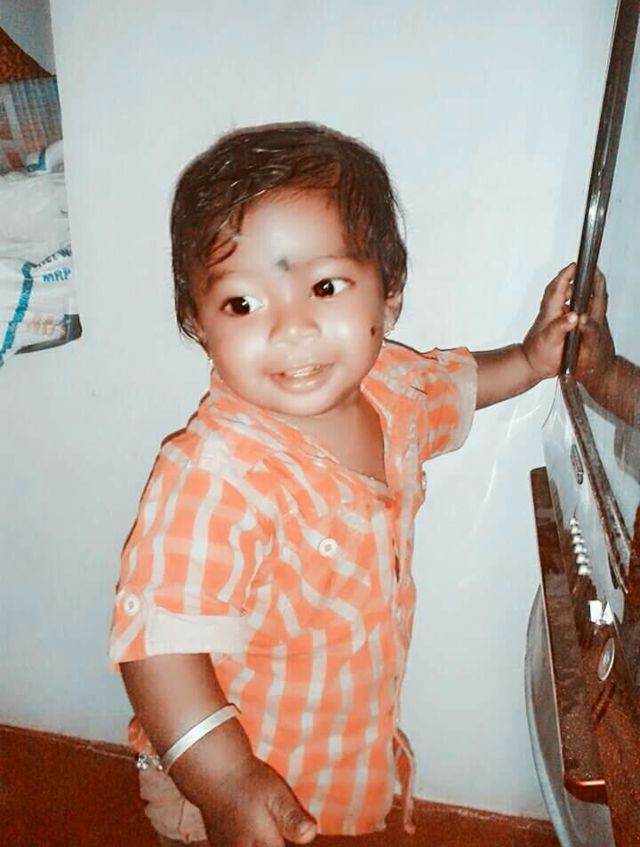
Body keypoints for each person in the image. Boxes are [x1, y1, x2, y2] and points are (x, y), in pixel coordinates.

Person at [109, 122, 582, 847]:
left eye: (324, 287)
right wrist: (226, 780)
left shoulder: (394, 389)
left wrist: (529, 358)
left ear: (388, 297)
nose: (291, 329)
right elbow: (159, 649)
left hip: (335, 760)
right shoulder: (213, 474)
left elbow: (458, 386)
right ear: (197, 323)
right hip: (228, 787)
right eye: (242, 303)